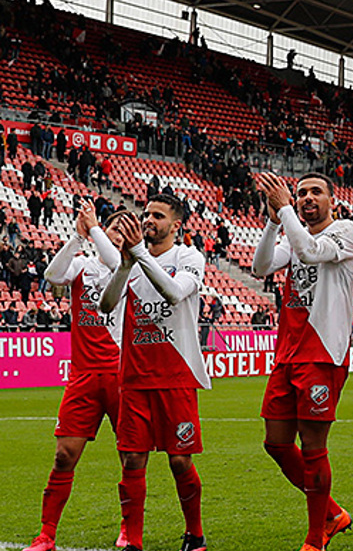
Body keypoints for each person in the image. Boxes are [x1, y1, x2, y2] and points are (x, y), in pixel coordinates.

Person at [252, 172, 353, 551]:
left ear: (333, 200)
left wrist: (285, 209)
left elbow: (311, 252)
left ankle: (316, 539)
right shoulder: (293, 232)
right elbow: (261, 267)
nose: (307, 198)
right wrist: (273, 221)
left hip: (322, 353)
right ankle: (332, 513)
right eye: (301, 193)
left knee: (314, 447)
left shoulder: (346, 231)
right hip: (288, 352)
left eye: (316, 192)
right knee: (276, 443)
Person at [98, 195, 210, 551]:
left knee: (179, 460)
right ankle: (133, 540)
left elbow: (175, 293)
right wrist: (124, 266)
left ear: (176, 225)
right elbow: (105, 305)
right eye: (146, 213)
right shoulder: (131, 260)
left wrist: (137, 255)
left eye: (157, 215)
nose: (148, 219)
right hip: (134, 377)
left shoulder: (188, 258)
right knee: (132, 458)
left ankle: (195, 534)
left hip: (176, 375)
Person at [23, 203, 124, 551]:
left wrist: (94, 229)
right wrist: (78, 237)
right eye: (116, 229)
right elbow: (53, 276)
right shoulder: (82, 266)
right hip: (83, 376)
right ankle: (46, 535)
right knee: (64, 456)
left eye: (127, 233)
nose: (120, 236)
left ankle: (129, 529)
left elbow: (115, 262)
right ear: (105, 231)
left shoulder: (132, 270)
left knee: (130, 457)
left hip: (121, 375)